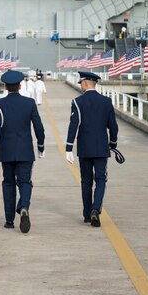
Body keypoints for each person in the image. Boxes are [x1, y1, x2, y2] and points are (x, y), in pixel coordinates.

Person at [0, 70, 45, 233]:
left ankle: (9, 220)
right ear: (20, 86)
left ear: (5, 86)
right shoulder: (30, 103)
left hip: (6, 151)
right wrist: (41, 146)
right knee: (25, 181)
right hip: (25, 150)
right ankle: (24, 206)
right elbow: (38, 127)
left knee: (8, 183)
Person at [65, 71, 118, 227]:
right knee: (101, 180)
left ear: (86, 83)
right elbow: (113, 127)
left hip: (85, 148)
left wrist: (69, 148)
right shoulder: (106, 102)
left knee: (86, 181)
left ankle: (87, 214)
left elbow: (73, 126)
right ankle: (96, 209)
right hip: (102, 148)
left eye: (81, 82)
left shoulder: (77, 102)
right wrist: (113, 144)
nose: (81, 85)